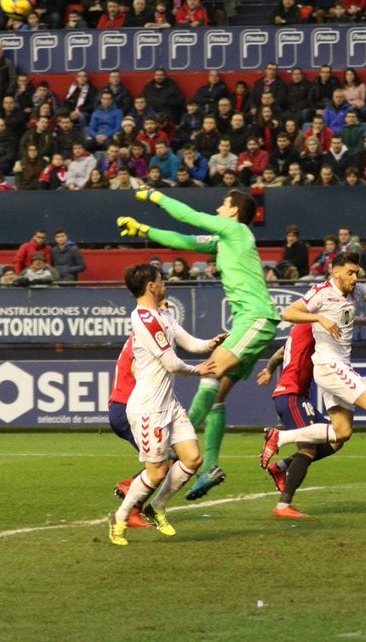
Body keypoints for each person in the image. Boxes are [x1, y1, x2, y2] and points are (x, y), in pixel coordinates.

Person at [118, 189, 281, 500]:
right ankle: (209, 468)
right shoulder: (225, 240)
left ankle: (170, 455)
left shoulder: (235, 229)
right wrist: (143, 230)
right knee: (216, 394)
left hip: (255, 319)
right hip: (252, 322)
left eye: (223, 204)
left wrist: (154, 196)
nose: (218, 207)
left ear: (233, 212)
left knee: (209, 376)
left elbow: (187, 216)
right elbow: (184, 241)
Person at [261, 251, 366, 480]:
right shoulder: (321, 293)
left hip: (338, 365)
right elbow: (288, 312)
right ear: (335, 271)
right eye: (350, 273)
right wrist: (319, 318)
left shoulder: (357, 289)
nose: (355, 278)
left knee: (341, 432)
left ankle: (280, 438)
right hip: (328, 364)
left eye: (357, 273)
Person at [109, 263, 220, 546]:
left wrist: (212, 343)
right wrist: (199, 371)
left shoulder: (162, 315)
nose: (165, 285)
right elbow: (171, 363)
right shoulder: (145, 320)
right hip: (148, 408)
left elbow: (189, 342)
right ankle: (120, 519)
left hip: (168, 403)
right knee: (156, 471)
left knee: (192, 458)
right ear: (151, 286)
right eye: (161, 281)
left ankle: (156, 507)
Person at [256, 309, 366, 518]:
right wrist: (364, 321)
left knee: (337, 439)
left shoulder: (299, 330)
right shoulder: (312, 325)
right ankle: (283, 506)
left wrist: (269, 370)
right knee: (308, 449)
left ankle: (281, 467)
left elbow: (278, 354)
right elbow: (338, 320)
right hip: (292, 396)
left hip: (294, 396)